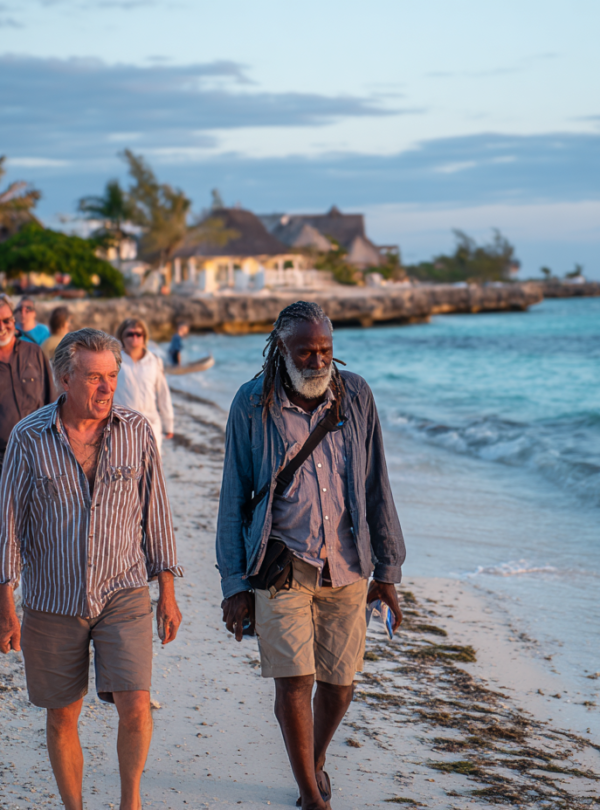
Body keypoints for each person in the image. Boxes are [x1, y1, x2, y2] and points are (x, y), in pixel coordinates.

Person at [216, 302, 406, 810]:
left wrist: (388, 571)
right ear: (282, 349)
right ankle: (310, 796)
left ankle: (314, 759)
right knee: (294, 681)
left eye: (325, 349)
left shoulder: (356, 394)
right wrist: (234, 584)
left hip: (348, 566)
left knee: (339, 686)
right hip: (282, 566)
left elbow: (376, 485)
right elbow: (233, 494)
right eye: (306, 351)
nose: (319, 360)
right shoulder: (251, 403)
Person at [0, 328, 183, 810]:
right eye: (94, 377)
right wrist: (6, 606)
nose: (106, 388)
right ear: (64, 378)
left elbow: (156, 516)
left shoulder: (137, 431)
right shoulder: (27, 438)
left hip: (123, 592)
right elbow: (8, 529)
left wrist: (166, 590)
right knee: (63, 716)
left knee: (137, 705)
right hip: (52, 599)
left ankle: (131, 802)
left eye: (112, 376)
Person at [0, 293, 55, 474]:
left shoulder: (34, 352)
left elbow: (51, 400)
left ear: (14, 321)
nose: (2, 327)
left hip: (37, 453)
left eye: (6, 320)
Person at [113, 317, 174, 455]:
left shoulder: (155, 361)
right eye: (130, 334)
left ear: (144, 337)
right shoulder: (114, 361)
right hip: (121, 425)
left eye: (138, 334)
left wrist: (168, 423)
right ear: (122, 337)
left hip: (150, 422)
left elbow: (163, 394)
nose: (134, 337)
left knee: (151, 467)